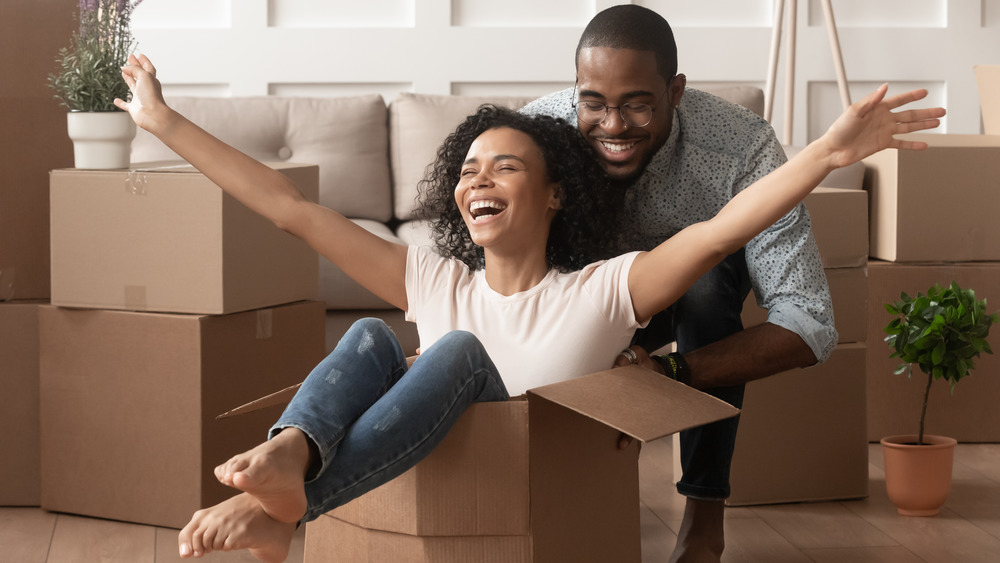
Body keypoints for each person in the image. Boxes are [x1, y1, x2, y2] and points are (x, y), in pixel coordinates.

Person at [115, 52, 942, 561]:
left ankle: (284, 509)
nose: (478, 179)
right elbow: (287, 207)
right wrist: (163, 121)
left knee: (456, 354)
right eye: (469, 168)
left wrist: (830, 151)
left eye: (505, 167)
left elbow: (724, 230)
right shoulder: (436, 280)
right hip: (427, 462)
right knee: (372, 334)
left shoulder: (601, 291)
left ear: (552, 197)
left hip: (526, 480)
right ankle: (292, 458)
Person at [519, 5, 848, 559]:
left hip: (693, 299)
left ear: (675, 90)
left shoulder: (742, 147)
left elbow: (809, 323)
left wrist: (670, 372)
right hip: (583, 293)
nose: (613, 126)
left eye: (637, 105)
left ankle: (704, 513)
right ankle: (571, 502)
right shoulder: (541, 135)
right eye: (594, 103)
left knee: (703, 293)